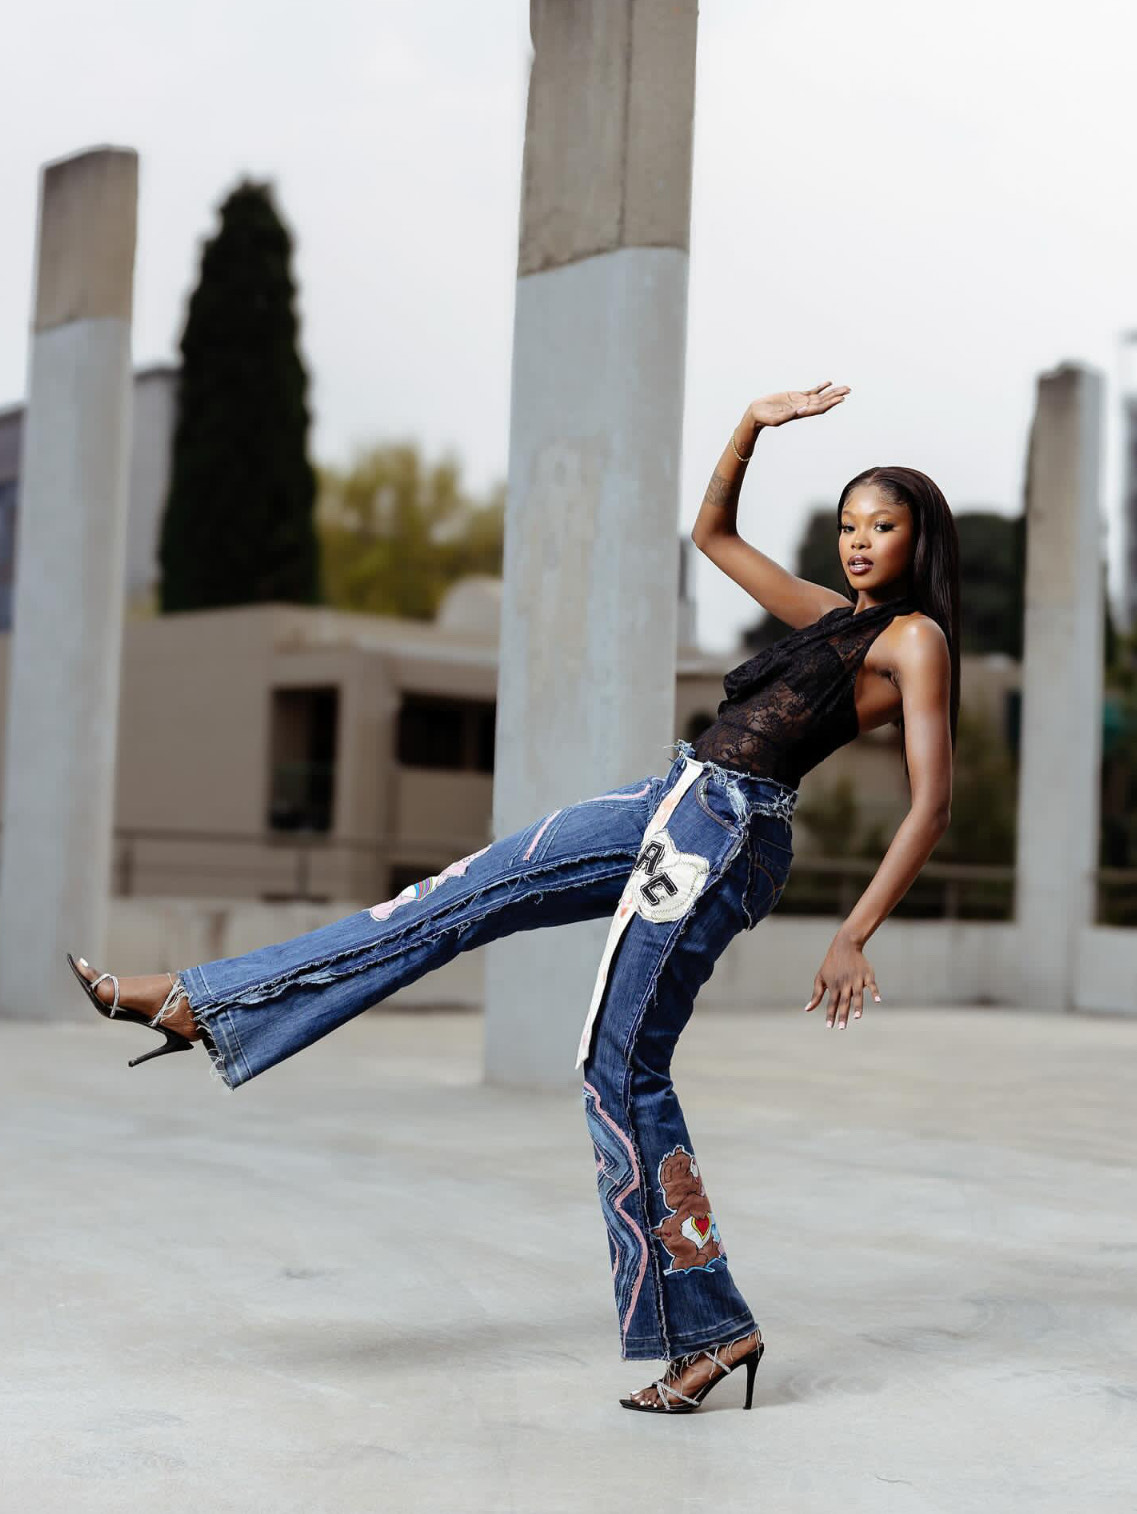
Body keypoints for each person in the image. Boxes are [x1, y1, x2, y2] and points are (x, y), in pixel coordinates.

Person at [68, 380, 958, 1416]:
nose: (859, 542)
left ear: (917, 538)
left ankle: (714, 1327)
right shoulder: (831, 620)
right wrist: (751, 427)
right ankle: (207, 1001)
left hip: (728, 833)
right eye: (848, 523)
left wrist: (855, 931)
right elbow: (712, 535)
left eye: (881, 526)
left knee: (618, 1064)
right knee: (454, 896)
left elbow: (932, 802)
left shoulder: (914, 641)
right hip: (670, 796)